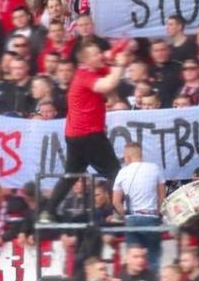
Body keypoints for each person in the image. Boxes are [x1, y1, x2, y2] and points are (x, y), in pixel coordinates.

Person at [41, 41, 126, 222]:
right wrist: (120, 64)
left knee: (71, 175)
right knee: (114, 172)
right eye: (95, 54)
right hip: (89, 133)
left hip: (75, 134)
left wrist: (115, 54)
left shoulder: (93, 70)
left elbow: (110, 85)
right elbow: (105, 85)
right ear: (86, 60)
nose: (99, 56)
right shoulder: (84, 75)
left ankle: (48, 212)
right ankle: (118, 212)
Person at [111, 141, 165, 268]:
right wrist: (157, 212)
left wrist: (125, 215)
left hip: (131, 220)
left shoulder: (122, 172)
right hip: (151, 217)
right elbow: (162, 196)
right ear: (141, 155)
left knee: (133, 258)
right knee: (153, 258)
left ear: (128, 157)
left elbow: (115, 201)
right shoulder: (154, 168)